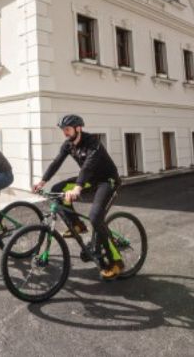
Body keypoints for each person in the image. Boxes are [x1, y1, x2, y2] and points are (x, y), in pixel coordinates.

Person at [32, 114, 124, 280]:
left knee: (96, 218)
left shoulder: (93, 143)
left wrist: (78, 187)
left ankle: (116, 262)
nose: (65, 133)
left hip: (107, 181)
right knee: (57, 189)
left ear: (78, 128)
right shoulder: (68, 145)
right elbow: (56, 162)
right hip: (90, 181)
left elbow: (88, 166)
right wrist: (42, 181)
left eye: (67, 129)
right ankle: (77, 224)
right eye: (63, 130)